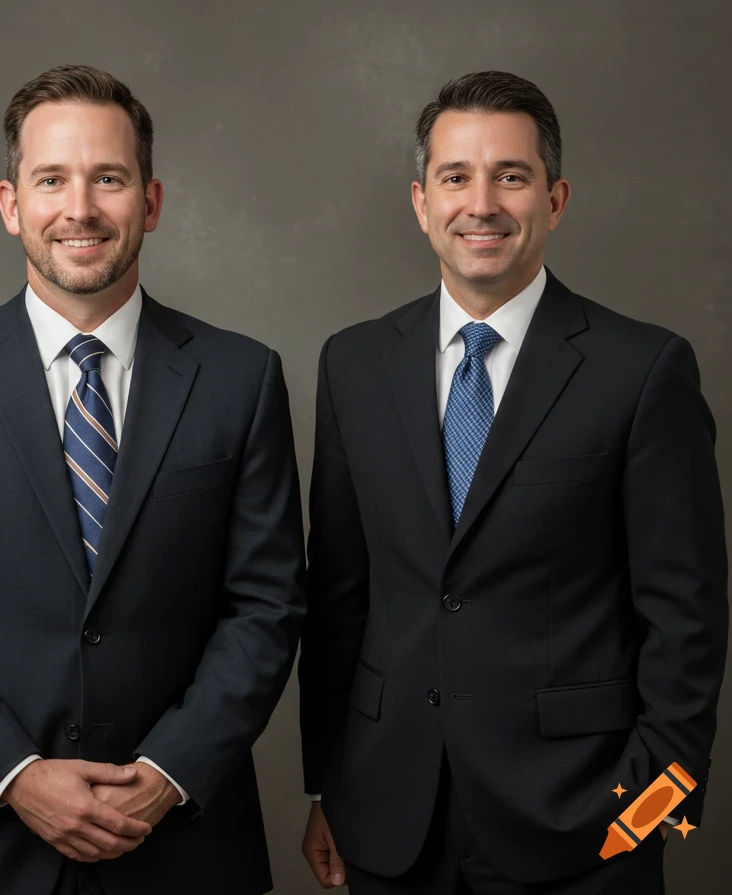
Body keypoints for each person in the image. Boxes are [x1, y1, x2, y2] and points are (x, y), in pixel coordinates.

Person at [0, 65, 307, 895]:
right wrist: (16, 773)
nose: (80, 208)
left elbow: (267, 606)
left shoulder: (241, 378)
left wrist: (171, 769)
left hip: (184, 847)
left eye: (109, 178)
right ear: (10, 204)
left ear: (152, 200)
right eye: (51, 179)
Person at [298, 71, 727, 894]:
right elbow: (340, 603)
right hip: (389, 824)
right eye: (456, 177)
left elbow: (690, 626)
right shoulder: (352, 365)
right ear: (422, 202)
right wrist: (328, 789)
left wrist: (649, 820)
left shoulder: (642, 370)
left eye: (512, 176)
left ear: (556, 199)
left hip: (588, 834)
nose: (482, 203)